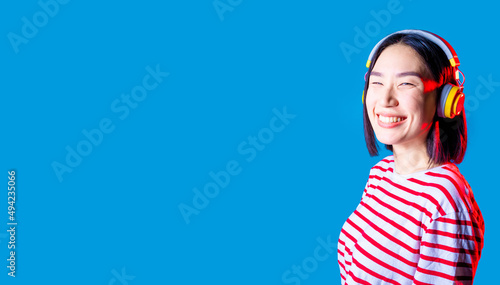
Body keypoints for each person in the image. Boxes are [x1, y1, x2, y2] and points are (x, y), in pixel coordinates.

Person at [337, 30, 484, 284]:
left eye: (406, 83)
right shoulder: (381, 173)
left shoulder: (444, 199)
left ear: (446, 101)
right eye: (377, 82)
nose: (385, 100)